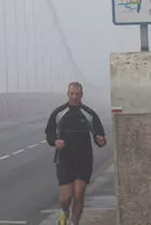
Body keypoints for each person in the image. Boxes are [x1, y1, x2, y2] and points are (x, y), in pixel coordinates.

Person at [44, 81, 106, 225]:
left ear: (81, 95)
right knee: (66, 198)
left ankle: (75, 222)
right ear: (68, 94)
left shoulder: (89, 113)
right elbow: (49, 134)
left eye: (77, 94)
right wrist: (55, 142)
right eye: (72, 93)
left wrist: (100, 140)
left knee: (78, 194)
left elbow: (100, 135)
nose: (74, 97)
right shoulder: (59, 113)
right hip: (64, 159)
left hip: (83, 159)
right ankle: (64, 213)